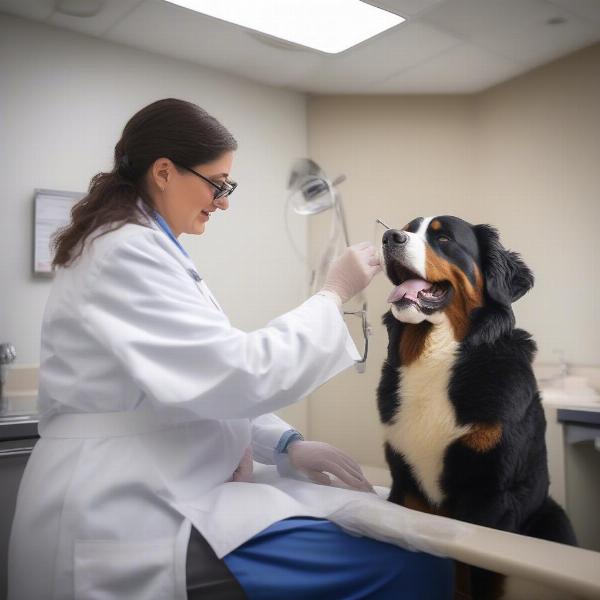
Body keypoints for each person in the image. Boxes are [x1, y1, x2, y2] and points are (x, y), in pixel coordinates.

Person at [8, 98, 454, 599]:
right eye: (218, 184)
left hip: (166, 484)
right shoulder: (124, 251)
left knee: (400, 545)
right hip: (122, 507)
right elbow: (233, 373)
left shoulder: (149, 249)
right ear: (163, 172)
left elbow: (199, 378)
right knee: (405, 565)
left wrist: (286, 444)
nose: (223, 201)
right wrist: (332, 294)